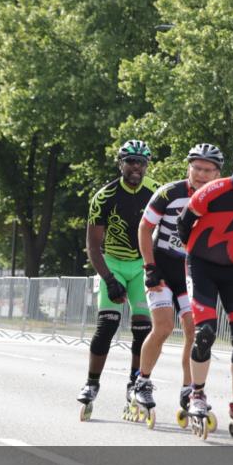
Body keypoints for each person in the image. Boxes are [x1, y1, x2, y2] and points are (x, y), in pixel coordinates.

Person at [175, 143, 233, 439]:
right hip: (202, 265)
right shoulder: (214, 190)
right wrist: (192, 251)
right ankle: (197, 394)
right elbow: (184, 223)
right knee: (205, 332)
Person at [134, 143, 223, 411]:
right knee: (162, 327)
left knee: (194, 331)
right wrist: (150, 267)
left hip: (191, 270)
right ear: (188, 168)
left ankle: (189, 389)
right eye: (196, 168)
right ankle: (142, 382)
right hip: (162, 265)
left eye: (208, 170)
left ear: (218, 174)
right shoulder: (169, 192)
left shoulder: (220, 198)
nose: (201, 174)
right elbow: (144, 227)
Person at [77, 140, 158, 421]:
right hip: (112, 262)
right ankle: (91, 382)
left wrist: (155, 267)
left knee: (142, 329)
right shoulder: (104, 196)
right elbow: (93, 245)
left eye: (141, 162)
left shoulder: (155, 192)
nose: (136, 167)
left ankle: (136, 383)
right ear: (120, 163)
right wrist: (109, 279)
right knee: (107, 325)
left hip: (141, 266)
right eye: (131, 161)